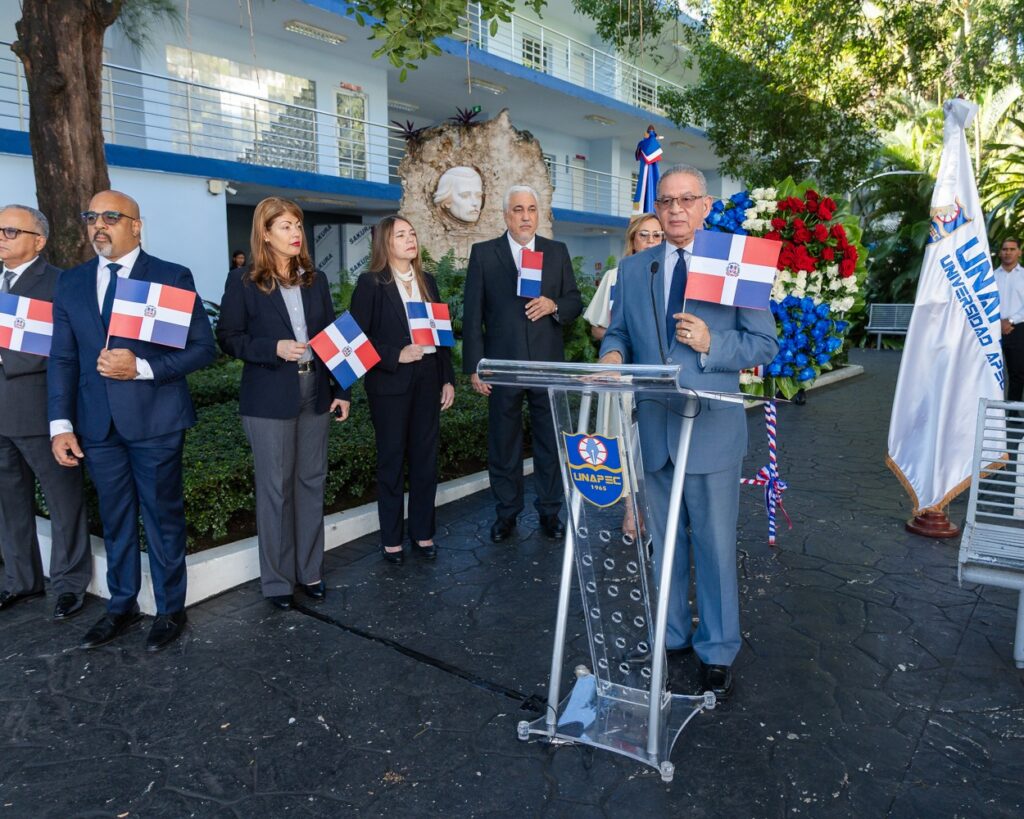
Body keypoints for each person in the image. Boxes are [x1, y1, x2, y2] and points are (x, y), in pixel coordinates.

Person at [598, 165, 778, 700]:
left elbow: (764, 346)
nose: (675, 209)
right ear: (657, 208)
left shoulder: (734, 261)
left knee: (716, 549)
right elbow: (618, 331)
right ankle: (671, 634)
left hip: (711, 434)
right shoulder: (636, 268)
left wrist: (711, 344)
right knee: (665, 546)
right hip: (655, 428)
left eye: (686, 199)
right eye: (666, 201)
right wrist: (612, 355)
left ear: (705, 206)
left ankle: (717, 649)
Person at [48, 190, 217, 651]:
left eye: (111, 216)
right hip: (96, 425)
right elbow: (62, 358)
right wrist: (60, 424)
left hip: (156, 420)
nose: (98, 225)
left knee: (162, 517)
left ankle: (169, 609)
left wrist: (141, 367)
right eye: (91, 217)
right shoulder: (72, 282)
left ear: (136, 226)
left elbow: (202, 349)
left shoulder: (169, 276)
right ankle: (120, 606)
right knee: (115, 518)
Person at [217, 197, 350, 609]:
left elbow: (332, 338)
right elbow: (228, 337)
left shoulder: (316, 280)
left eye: (297, 225)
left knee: (311, 482)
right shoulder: (243, 281)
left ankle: (310, 572)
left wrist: (342, 389)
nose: (295, 233)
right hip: (269, 396)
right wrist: (272, 348)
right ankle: (277, 582)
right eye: (285, 226)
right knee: (275, 489)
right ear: (265, 233)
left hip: (316, 391)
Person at [463, 185, 582, 543]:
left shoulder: (556, 251)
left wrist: (554, 305)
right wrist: (476, 366)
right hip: (502, 365)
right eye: (518, 209)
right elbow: (473, 315)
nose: (526, 216)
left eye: (532, 209)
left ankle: (550, 511)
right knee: (504, 443)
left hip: (547, 365)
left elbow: (574, 301)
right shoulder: (484, 254)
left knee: (550, 442)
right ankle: (506, 513)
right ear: (505, 215)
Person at [0, 204, 91, 619]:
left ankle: (70, 584)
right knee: (9, 502)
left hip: (41, 411)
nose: (1, 237)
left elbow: (67, 349)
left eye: (10, 231)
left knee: (63, 501)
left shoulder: (59, 284)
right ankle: (21, 580)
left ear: (38, 241)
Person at [349, 216, 455, 564]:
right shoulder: (371, 283)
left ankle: (423, 533)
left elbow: (441, 335)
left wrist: (447, 378)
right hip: (389, 384)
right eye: (401, 235)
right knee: (392, 461)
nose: (410, 239)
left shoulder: (427, 281)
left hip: (428, 380)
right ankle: (391, 539)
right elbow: (356, 339)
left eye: (412, 233)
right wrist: (395, 354)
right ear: (385, 242)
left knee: (426, 461)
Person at [584, 212, 664, 341]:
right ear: (633, 239)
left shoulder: (672, 276)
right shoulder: (614, 276)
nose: (650, 240)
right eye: (643, 235)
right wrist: (631, 340)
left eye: (657, 235)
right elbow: (596, 330)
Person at [996, 237, 1024, 400]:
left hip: (1018, 329)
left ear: (1019, 252)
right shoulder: (991, 276)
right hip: (992, 328)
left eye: (1012, 249)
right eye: (1005, 249)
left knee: (1017, 373)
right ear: (1000, 253)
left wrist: (1010, 321)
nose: (1008, 252)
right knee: (988, 369)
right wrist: (998, 323)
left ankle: (1012, 411)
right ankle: (990, 410)